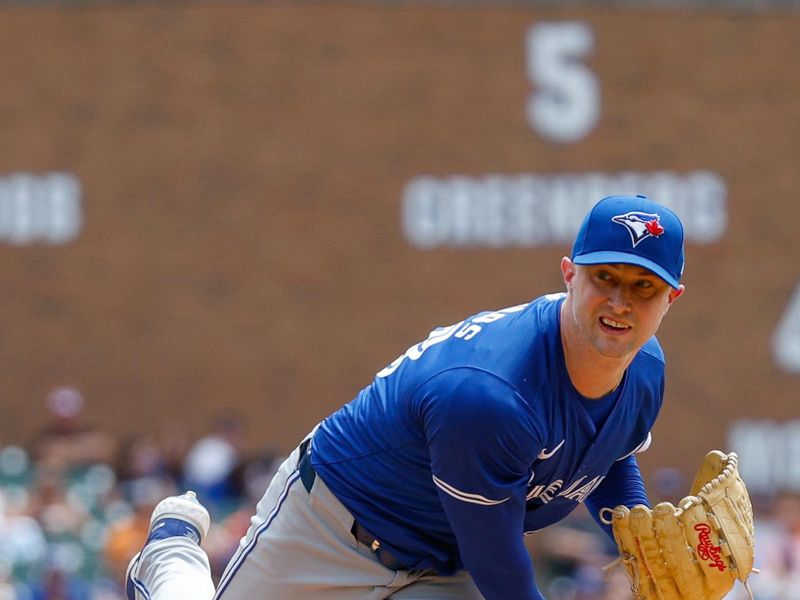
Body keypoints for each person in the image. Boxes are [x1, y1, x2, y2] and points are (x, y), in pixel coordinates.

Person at [126, 194, 686, 600]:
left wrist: (644, 545)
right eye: (604, 278)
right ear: (569, 275)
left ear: (671, 299)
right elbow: (501, 568)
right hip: (334, 526)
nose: (619, 302)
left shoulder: (645, 371)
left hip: (444, 564)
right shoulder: (491, 396)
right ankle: (171, 556)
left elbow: (609, 455)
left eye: (643, 287)